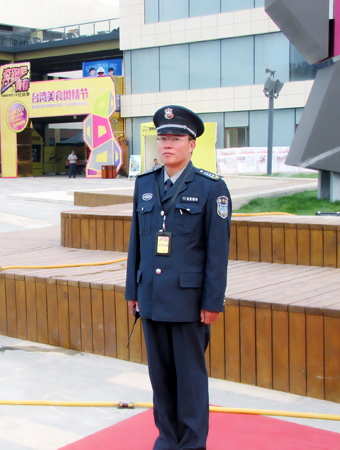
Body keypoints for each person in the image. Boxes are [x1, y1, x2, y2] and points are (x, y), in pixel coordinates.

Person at [125, 105, 231, 450]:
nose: (167, 145)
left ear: (192, 144)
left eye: (176, 138)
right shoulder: (144, 184)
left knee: (190, 381)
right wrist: (133, 291)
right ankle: (167, 441)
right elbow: (136, 244)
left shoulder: (211, 188)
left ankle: (192, 445)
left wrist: (212, 301)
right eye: (163, 139)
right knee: (161, 379)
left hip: (188, 302)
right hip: (152, 298)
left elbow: (217, 252)